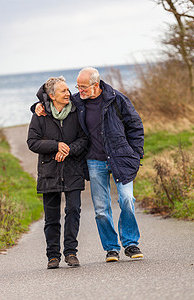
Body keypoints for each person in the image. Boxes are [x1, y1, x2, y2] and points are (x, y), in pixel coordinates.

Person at [33, 67, 144, 263]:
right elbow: (53, 101)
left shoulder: (118, 99)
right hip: (94, 160)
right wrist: (37, 105)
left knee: (127, 199)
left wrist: (136, 154)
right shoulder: (77, 102)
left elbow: (135, 126)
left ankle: (130, 243)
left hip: (121, 158)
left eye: (83, 87)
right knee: (101, 208)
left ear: (96, 84)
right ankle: (111, 248)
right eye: (77, 86)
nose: (78, 91)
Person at [27, 76, 88, 269]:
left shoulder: (76, 112)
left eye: (68, 90)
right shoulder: (40, 113)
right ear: (51, 96)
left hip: (72, 168)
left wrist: (69, 149)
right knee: (51, 217)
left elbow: (84, 139)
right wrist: (56, 146)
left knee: (73, 211)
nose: (68, 93)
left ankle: (71, 253)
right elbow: (32, 142)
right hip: (49, 171)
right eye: (63, 91)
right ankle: (53, 256)